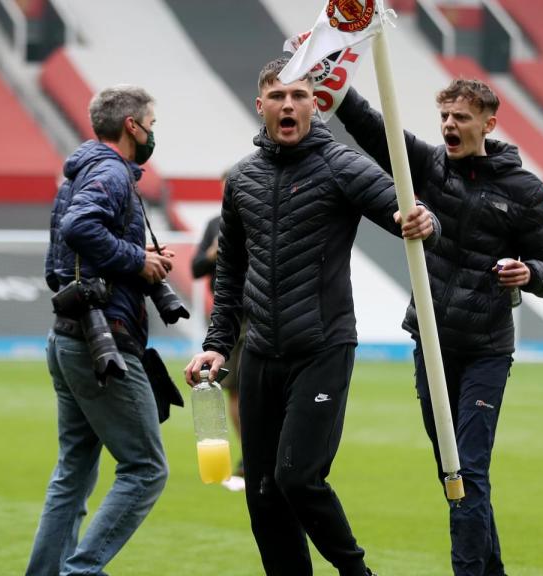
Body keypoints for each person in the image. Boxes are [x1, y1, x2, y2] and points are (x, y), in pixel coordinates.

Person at [183, 57, 439, 576]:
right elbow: (229, 271)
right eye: (278, 96)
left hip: (322, 347)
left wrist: (423, 220)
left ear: (315, 104)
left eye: (299, 95)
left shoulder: (341, 165)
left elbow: (403, 210)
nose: (289, 105)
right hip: (259, 353)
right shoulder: (242, 178)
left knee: (297, 479)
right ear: (261, 106)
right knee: (262, 493)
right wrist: (216, 343)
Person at [334, 80, 543, 575]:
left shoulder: (525, 190)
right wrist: (336, 86)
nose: (449, 126)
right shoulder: (429, 165)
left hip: (486, 350)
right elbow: (375, 130)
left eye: (460, 117)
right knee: (453, 476)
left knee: (467, 472)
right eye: (444, 117)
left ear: (488, 124)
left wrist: (529, 273)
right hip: (432, 344)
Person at [29, 85, 176, 576]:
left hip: (68, 336)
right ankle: (82, 571)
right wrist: (137, 260)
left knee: (73, 473)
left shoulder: (80, 172)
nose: (152, 134)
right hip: (102, 342)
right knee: (146, 469)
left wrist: (137, 259)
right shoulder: (111, 172)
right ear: (132, 125)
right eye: (151, 125)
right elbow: (80, 227)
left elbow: (64, 257)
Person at [191, 209, 245, 479]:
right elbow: (196, 268)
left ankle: (266, 453)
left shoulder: (261, 213)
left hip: (262, 311)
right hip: (228, 315)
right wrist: (213, 254)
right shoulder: (215, 223)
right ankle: (249, 454)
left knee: (257, 387)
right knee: (235, 389)